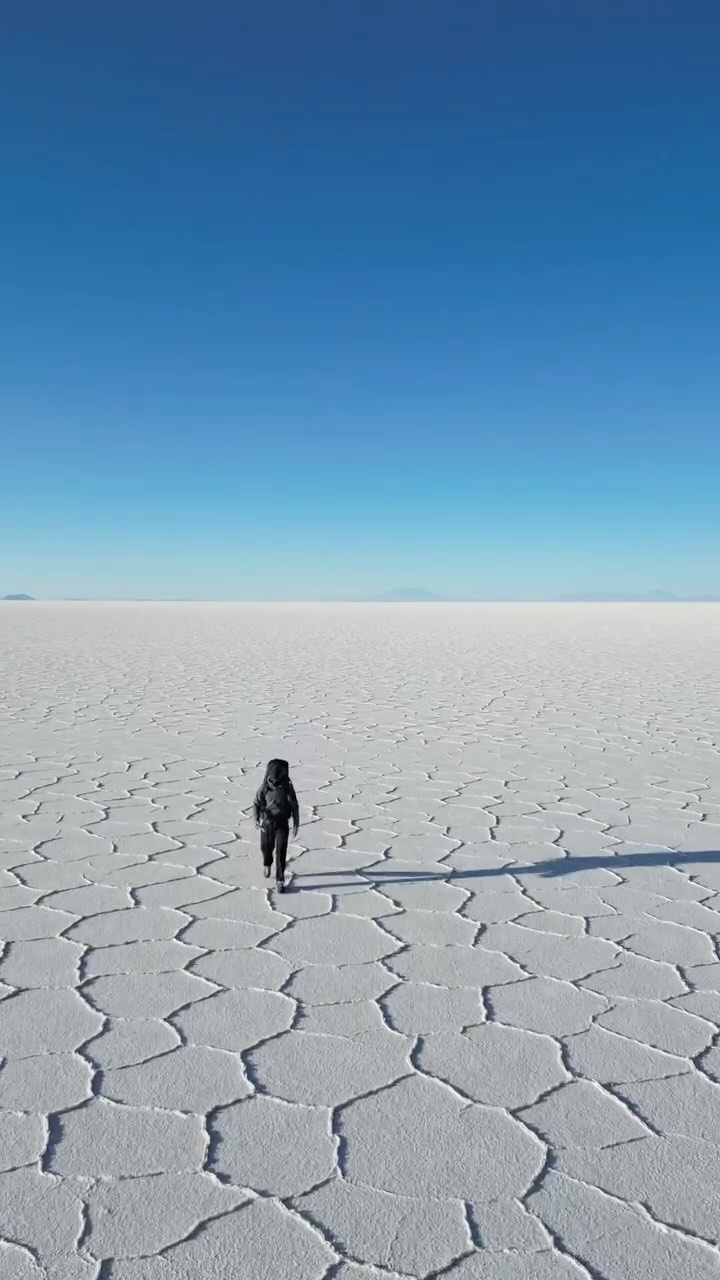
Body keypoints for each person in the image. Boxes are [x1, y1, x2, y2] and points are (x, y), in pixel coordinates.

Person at [252, 758, 299, 892]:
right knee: (266, 847)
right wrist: (256, 819)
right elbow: (256, 803)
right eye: (273, 781)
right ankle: (267, 863)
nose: (276, 783)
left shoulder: (287, 787)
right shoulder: (264, 787)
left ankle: (280, 880)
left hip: (282, 822)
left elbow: (295, 805)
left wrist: (296, 822)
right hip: (267, 822)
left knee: (281, 851)